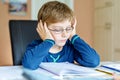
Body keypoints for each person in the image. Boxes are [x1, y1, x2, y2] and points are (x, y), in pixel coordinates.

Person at [22, 1, 100, 70]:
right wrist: (48, 41)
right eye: (57, 30)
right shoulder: (36, 46)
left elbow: (94, 61)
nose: (65, 34)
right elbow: (29, 65)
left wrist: (73, 36)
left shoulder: (70, 48)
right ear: (43, 28)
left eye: (68, 28)